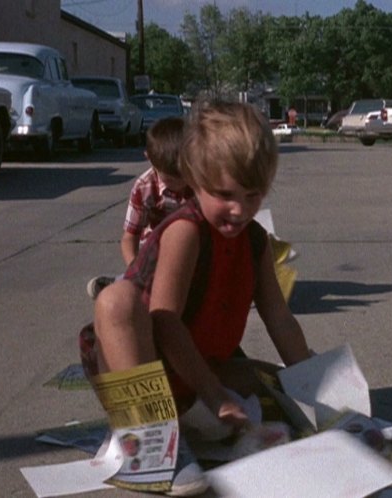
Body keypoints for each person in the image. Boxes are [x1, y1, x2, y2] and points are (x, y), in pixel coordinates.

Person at [90, 100, 312, 434]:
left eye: (252, 196)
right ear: (193, 180)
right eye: (225, 194)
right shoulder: (186, 230)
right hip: (143, 365)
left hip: (200, 367)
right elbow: (165, 324)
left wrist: (316, 385)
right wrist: (215, 396)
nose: (239, 210)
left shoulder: (255, 240)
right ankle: (150, 440)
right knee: (116, 299)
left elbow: (280, 319)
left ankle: (187, 422)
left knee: (279, 382)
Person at [86, 117, 191, 299]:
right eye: (171, 179)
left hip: (193, 245)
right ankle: (119, 283)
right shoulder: (144, 187)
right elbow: (130, 237)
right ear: (149, 159)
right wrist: (135, 269)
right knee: (150, 278)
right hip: (155, 251)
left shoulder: (203, 182)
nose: (180, 184)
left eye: (185, 176)